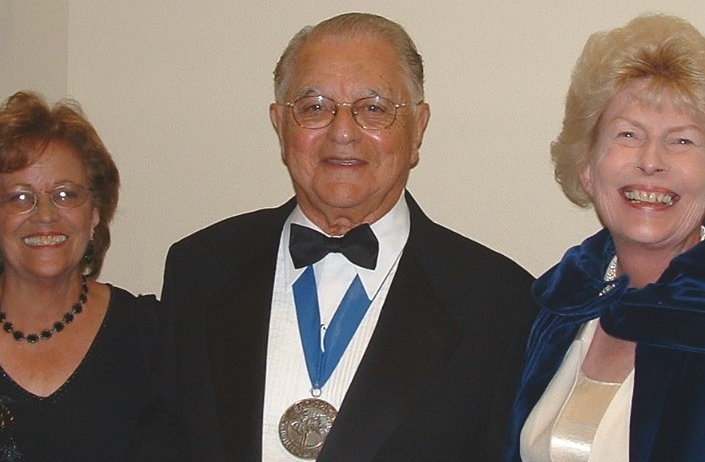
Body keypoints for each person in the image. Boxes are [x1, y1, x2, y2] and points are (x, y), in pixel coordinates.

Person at [160, 12, 538, 462]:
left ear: (418, 127)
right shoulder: (199, 268)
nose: (342, 132)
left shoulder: (499, 302)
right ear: (281, 126)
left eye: (374, 108)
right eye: (314, 107)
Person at [505, 14, 705, 462]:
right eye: (628, 134)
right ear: (587, 165)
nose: (650, 161)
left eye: (681, 141)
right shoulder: (556, 308)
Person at [0, 91, 163, 461]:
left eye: (65, 194)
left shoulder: (155, 340)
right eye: (19, 198)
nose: (45, 215)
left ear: (94, 214)